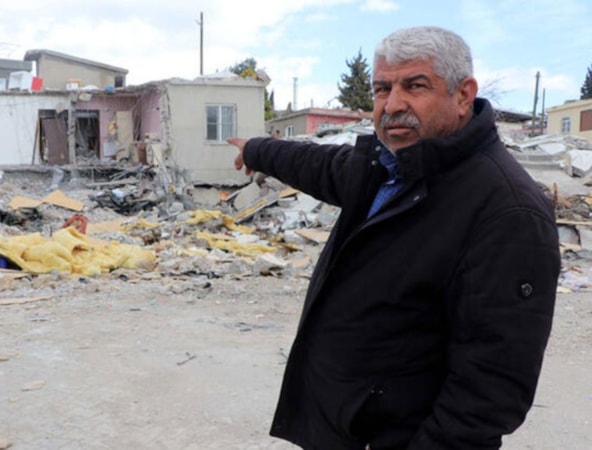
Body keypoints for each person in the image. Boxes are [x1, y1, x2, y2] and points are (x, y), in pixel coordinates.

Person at [228, 26, 560, 450]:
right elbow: (318, 164)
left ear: (463, 95)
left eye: (415, 86)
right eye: (382, 89)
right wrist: (256, 151)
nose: (393, 104)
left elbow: (489, 390)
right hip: (344, 427)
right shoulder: (390, 168)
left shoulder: (508, 211)